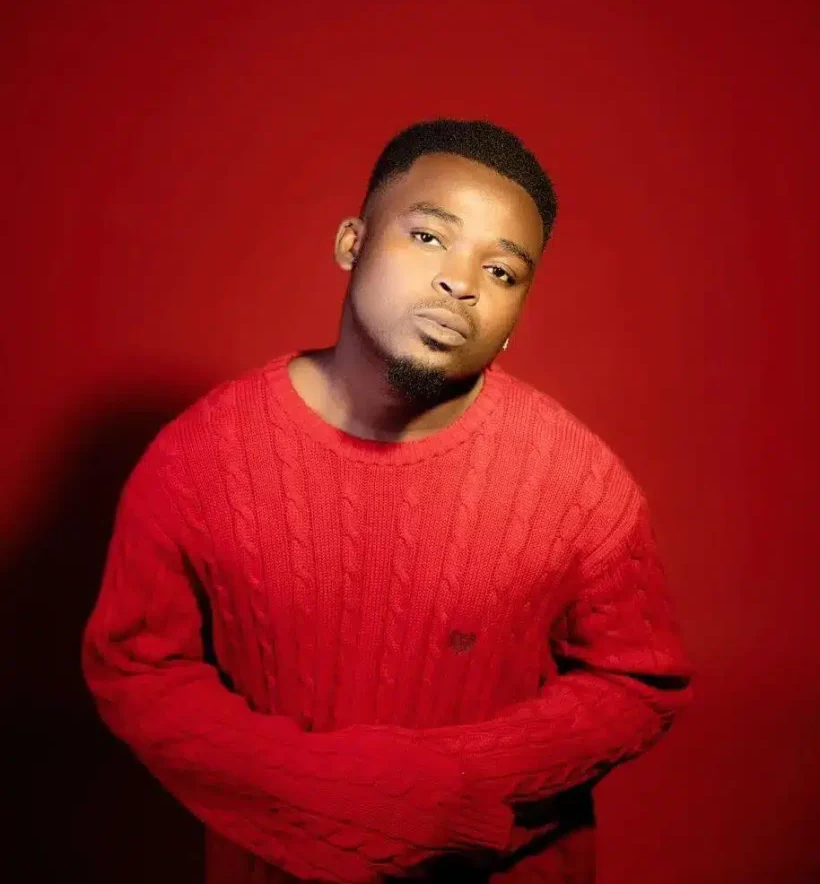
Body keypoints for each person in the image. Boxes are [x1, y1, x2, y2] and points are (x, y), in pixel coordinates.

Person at [82, 119, 695, 884]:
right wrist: (326, 790)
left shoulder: (580, 483)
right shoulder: (196, 460)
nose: (461, 283)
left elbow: (640, 681)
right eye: (430, 237)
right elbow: (138, 668)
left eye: (502, 272)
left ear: (516, 318)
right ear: (352, 243)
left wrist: (446, 787)